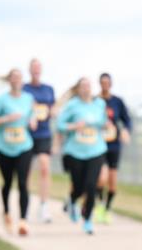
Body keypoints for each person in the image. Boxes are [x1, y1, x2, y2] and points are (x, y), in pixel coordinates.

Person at [0, 69, 37, 236]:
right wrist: (7, 119)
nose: (17, 81)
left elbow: (32, 114)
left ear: (22, 81)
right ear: (9, 81)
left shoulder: (28, 98)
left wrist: (32, 120)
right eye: (14, 78)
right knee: (8, 182)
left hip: (24, 146)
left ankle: (23, 221)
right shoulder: (2, 100)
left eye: (19, 78)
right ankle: (7, 212)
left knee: (23, 182)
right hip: (4, 148)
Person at [57, 77, 108, 234]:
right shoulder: (72, 106)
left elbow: (104, 122)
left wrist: (106, 124)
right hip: (76, 152)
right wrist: (74, 126)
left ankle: (87, 219)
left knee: (91, 185)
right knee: (78, 186)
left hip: (96, 150)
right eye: (83, 86)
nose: (86, 89)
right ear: (78, 89)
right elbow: (60, 125)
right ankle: (72, 201)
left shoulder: (99, 104)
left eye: (88, 86)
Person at [96, 72, 132, 223]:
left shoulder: (117, 102)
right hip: (98, 145)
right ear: (99, 84)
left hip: (114, 145)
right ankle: (99, 205)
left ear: (111, 84)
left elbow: (127, 120)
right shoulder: (95, 101)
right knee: (101, 178)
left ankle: (107, 209)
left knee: (112, 182)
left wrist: (125, 131)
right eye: (102, 82)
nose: (105, 85)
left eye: (107, 82)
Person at [24, 57, 56, 223]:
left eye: (38, 68)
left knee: (44, 167)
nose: (36, 70)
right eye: (33, 68)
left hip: (43, 134)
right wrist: (30, 115)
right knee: (26, 171)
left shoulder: (49, 89)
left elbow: (53, 108)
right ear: (30, 70)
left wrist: (53, 112)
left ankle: (44, 205)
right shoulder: (24, 89)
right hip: (27, 135)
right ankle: (26, 205)